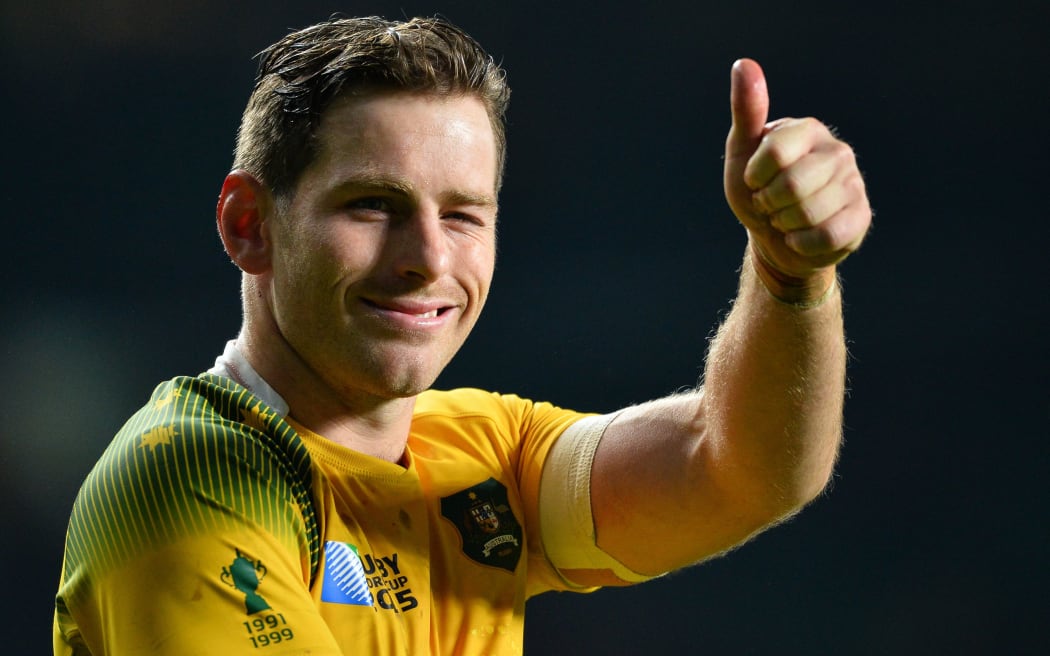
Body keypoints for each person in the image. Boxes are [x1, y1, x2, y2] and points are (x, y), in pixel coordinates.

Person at [53, 15, 871, 656]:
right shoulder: (186, 481)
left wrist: (790, 275)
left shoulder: (478, 456)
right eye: (372, 205)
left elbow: (740, 468)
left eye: (463, 215)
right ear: (249, 225)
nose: (429, 259)